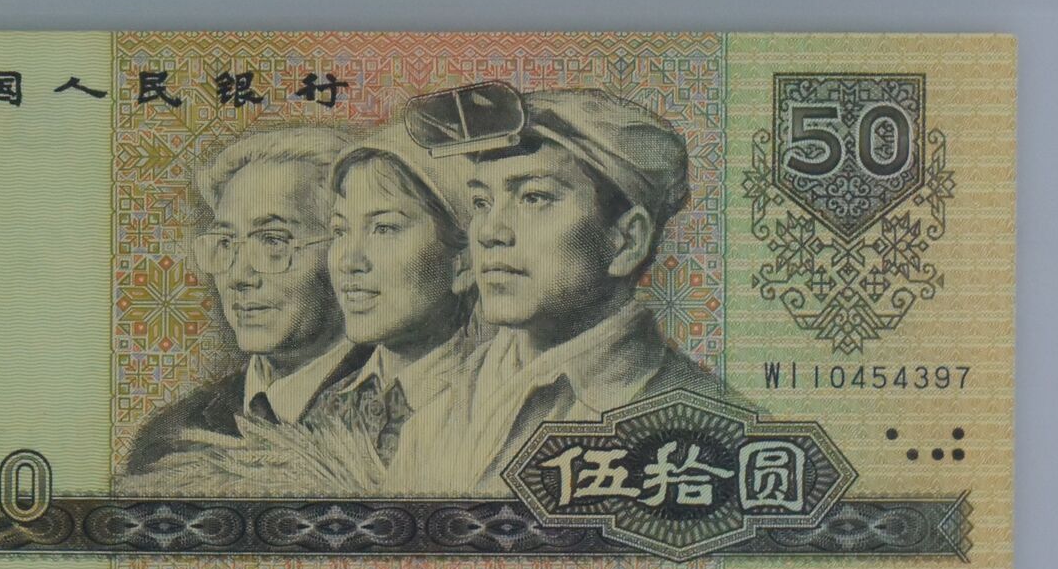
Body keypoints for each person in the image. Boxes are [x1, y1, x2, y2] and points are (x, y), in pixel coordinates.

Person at [410, 88, 727, 495]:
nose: (489, 232)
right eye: (481, 202)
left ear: (626, 241)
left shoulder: (703, 428)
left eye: (533, 197)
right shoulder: (444, 406)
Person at [124, 126, 366, 475]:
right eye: (225, 243)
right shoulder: (171, 437)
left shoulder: (406, 420)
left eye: (273, 241)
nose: (239, 276)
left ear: (345, 251)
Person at [302, 125, 481, 467]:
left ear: (464, 263)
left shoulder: (493, 404)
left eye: (384, 228)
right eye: (340, 230)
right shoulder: (328, 408)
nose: (349, 262)